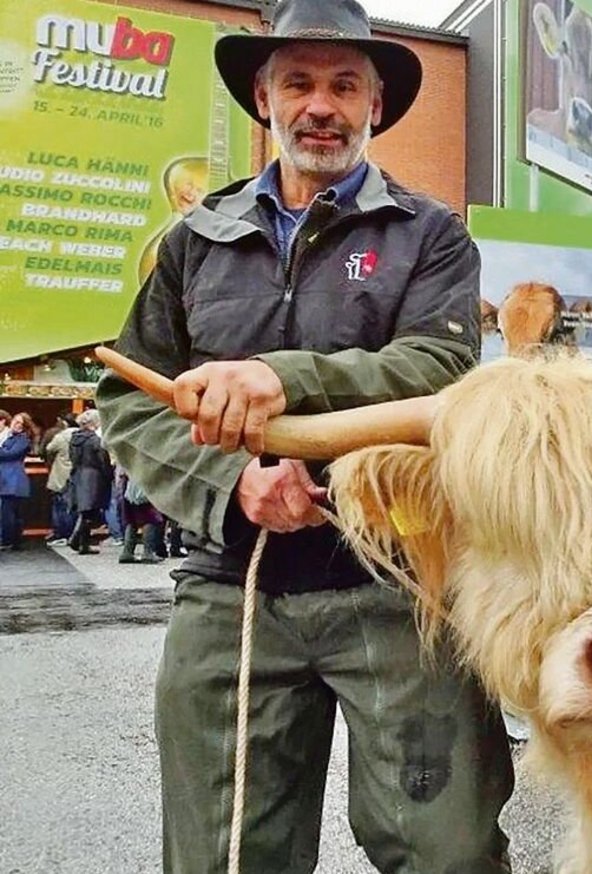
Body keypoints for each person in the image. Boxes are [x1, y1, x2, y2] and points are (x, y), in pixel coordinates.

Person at [94, 1, 513, 871]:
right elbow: (128, 397)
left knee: (449, 851)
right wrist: (230, 488)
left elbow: (440, 368)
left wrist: (284, 377)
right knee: (226, 854)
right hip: (231, 591)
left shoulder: (432, 236)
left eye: (344, 86)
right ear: (264, 98)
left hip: (399, 584)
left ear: (375, 108)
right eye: (299, 83)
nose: (320, 105)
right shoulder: (192, 242)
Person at [67, 409, 111, 556]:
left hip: (78, 475)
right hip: (93, 477)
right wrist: (108, 475)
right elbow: (103, 461)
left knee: (84, 510)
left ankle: (82, 542)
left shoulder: (74, 439)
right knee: (90, 511)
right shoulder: (95, 441)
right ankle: (77, 539)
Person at [0, 411, 37, 551]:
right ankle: (12, 540)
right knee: (10, 512)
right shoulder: (13, 438)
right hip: (9, 479)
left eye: (19, 423)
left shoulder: (23, 439)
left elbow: (10, 454)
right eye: (15, 421)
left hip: (13, 480)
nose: (15, 425)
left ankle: (9, 540)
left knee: (10, 513)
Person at [41, 414, 77, 544]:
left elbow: (48, 449)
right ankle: (73, 533)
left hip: (61, 475)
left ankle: (61, 533)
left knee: (60, 505)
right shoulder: (84, 436)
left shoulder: (60, 437)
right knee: (73, 506)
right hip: (77, 475)